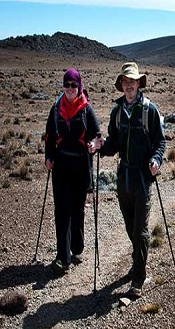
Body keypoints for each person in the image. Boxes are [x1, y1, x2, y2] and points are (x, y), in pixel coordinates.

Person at [93, 62, 165, 298]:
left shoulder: (149, 111)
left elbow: (159, 142)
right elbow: (113, 143)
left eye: (133, 81)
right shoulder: (117, 112)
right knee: (129, 226)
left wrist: (156, 160)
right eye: (126, 81)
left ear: (138, 83)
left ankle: (138, 278)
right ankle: (138, 261)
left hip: (143, 178)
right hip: (123, 177)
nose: (129, 85)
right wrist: (101, 147)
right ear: (121, 85)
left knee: (141, 230)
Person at [45, 68, 100, 274]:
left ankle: (76, 248)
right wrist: (48, 157)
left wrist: (94, 144)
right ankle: (63, 257)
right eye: (66, 84)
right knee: (62, 211)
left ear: (79, 86)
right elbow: (50, 135)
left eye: (73, 85)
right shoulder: (56, 108)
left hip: (80, 167)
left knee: (77, 209)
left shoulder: (86, 109)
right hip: (60, 166)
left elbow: (97, 134)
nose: (70, 88)